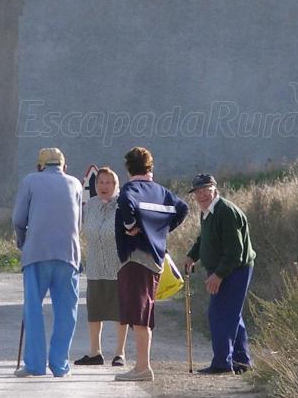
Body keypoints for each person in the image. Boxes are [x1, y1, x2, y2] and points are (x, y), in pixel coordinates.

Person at [113, 146, 188, 382]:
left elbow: (125, 202)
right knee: (145, 310)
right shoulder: (162, 192)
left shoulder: (131, 189)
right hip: (155, 257)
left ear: (128, 168)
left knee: (139, 313)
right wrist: (160, 231)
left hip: (136, 257)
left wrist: (129, 226)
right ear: (150, 167)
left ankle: (143, 367)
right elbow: (183, 208)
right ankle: (142, 366)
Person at [11, 147, 84, 378]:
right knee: (66, 310)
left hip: (37, 252)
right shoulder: (75, 184)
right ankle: (60, 364)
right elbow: (78, 223)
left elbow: (18, 219)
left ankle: (34, 365)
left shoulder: (30, 181)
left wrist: (23, 242)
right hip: (68, 253)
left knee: (33, 308)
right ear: (64, 166)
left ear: (39, 166)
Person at [183, 174, 257, 375]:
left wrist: (218, 275)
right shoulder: (207, 211)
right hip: (222, 270)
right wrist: (192, 256)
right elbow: (204, 239)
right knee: (232, 314)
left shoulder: (226, 211)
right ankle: (241, 361)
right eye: (198, 191)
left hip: (235, 270)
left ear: (215, 190)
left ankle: (222, 364)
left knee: (220, 314)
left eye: (205, 190)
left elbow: (234, 251)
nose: (201, 195)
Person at [75, 165, 128, 367]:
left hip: (117, 267)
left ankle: (119, 353)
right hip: (95, 266)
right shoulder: (90, 206)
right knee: (95, 311)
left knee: (119, 312)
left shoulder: (122, 206)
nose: (104, 186)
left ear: (116, 185)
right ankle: (95, 352)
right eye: (100, 182)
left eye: (108, 182)